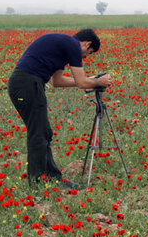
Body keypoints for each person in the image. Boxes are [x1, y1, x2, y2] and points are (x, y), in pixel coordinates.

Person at [8, 29, 112, 188]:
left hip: (27, 83)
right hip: (27, 84)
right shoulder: (72, 45)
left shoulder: (63, 45)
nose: (85, 56)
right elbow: (81, 83)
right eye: (88, 52)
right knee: (38, 133)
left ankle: (50, 177)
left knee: (44, 132)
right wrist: (97, 82)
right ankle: (37, 182)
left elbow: (58, 81)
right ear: (87, 43)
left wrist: (91, 79)